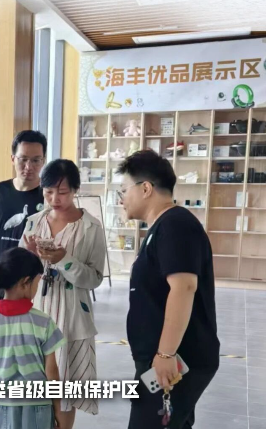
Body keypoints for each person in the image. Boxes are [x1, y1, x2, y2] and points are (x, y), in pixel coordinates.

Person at [117, 150, 219, 429]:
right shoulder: (162, 227)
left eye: (124, 190)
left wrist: (165, 354)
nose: (121, 198)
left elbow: (184, 287)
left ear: (145, 189)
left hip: (174, 359)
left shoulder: (175, 225)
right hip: (165, 358)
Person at [21, 159, 105, 429]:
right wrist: (30, 256)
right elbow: (20, 272)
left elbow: (95, 278)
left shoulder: (91, 227)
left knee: (66, 389)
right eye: (48, 192)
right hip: (36, 313)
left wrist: (64, 260)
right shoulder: (33, 223)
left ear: (76, 190)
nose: (55, 199)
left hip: (71, 317)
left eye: (63, 192)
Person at [0, 247, 66, 429]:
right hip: (38, 406)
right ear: (25, 282)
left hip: (0, 405)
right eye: (37, 283)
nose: (37, 288)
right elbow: (52, 372)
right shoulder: (43, 322)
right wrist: (57, 409)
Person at [0, 130, 47, 311]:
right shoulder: (0, 191)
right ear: (12, 159)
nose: (28, 166)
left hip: (28, 283)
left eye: (36, 160)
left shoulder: (47, 196)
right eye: (23, 159)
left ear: (43, 161)